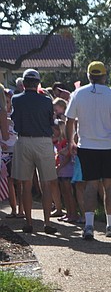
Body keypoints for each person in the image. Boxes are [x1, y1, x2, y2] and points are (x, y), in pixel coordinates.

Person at [65, 61, 111, 240]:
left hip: (87, 146)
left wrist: (70, 141)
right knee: (110, 185)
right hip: (110, 146)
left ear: (88, 76)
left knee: (90, 185)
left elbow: (69, 120)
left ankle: (88, 226)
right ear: (104, 75)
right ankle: (110, 224)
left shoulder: (78, 94)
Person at [10, 68, 59, 234]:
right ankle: (47, 223)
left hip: (23, 140)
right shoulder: (46, 100)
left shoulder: (16, 99)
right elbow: (50, 121)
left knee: (26, 184)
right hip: (44, 142)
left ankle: (29, 222)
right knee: (46, 184)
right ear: (38, 83)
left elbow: (15, 120)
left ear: (23, 83)